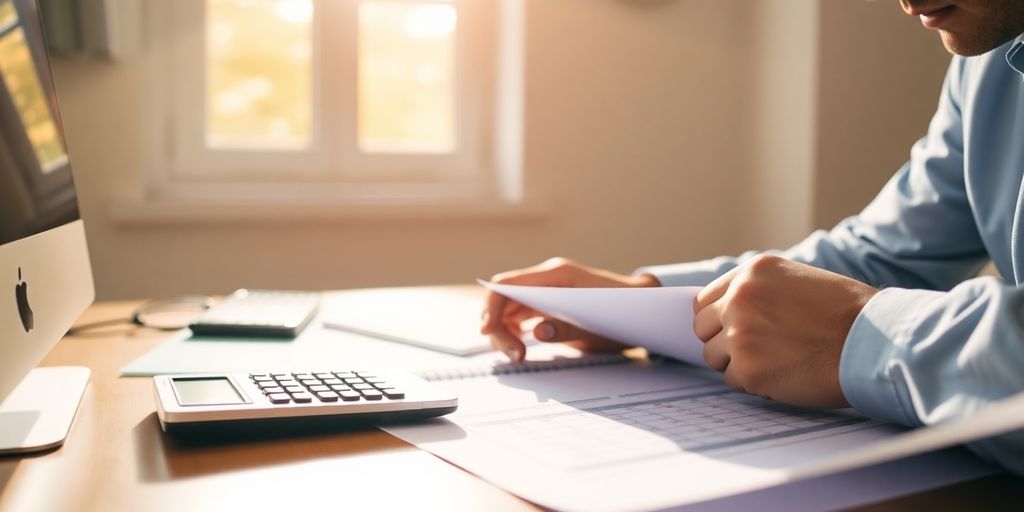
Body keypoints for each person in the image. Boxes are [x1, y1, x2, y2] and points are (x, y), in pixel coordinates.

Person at [481, 0, 1024, 474]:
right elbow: (883, 253)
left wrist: (856, 336)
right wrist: (646, 306)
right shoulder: (983, 66)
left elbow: (857, 304)